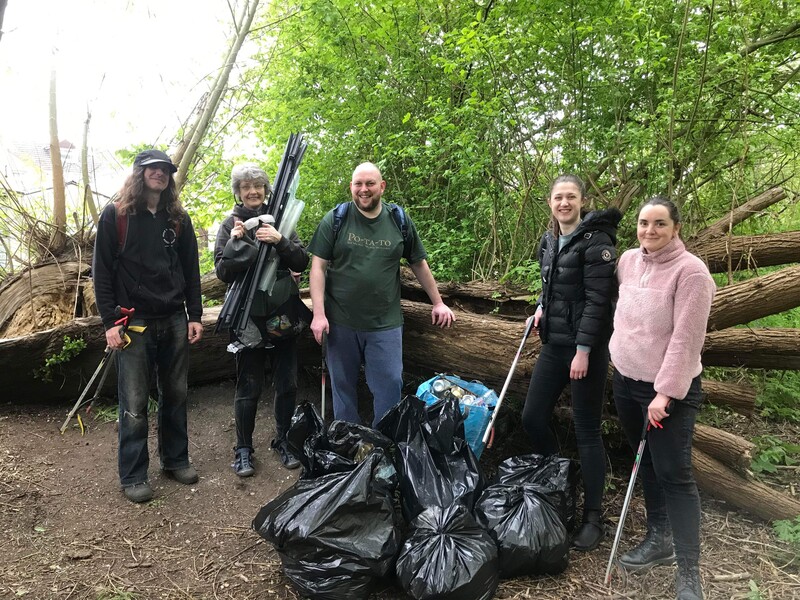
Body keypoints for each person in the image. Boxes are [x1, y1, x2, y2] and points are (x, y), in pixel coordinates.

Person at [610, 197, 715, 600]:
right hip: (626, 380)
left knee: (674, 473)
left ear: (675, 228)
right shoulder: (628, 261)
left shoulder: (692, 273)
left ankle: (689, 571)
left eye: (659, 224)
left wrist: (665, 393)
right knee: (648, 463)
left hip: (666, 392)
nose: (649, 231)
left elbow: (687, 341)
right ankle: (659, 539)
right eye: (643, 223)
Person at [93, 149, 203, 504]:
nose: (159, 173)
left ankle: (175, 460)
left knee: (176, 394)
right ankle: (134, 474)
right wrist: (110, 321)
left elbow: (191, 270)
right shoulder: (117, 216)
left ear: (169, 177)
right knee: (135, 401)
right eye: (152, 168)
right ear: (139, 174)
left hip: (173, 318)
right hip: (133, 323)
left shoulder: (178, 219)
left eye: (164, 169)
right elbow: (102, 273)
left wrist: (195, 314)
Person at [307, 161, 455, 426]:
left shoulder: (398, 220)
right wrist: (319, 314)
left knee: (389, 385)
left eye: (370, 184)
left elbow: (418, 263)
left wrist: (438, 302)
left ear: (382, 187)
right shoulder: (337, 218)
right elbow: (318, 265)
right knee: (342, 386)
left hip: (384, 324)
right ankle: (347, 438)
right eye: (358, 184)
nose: (364, 190)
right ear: (351, 187)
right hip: (340, 321)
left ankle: (384, 446)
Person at [521, 174, 621, 551]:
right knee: (533, 417)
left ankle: (593, 517)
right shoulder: (549, 241)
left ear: (582, 201)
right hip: (554, 345)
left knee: (586, 431)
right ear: (549, 203)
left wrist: (583, 350)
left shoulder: (597, 243)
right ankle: (560, 476)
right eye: (558, 197)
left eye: (571, 197)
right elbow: (554, 289)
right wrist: (541, 309)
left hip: (586, 352)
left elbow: (598, 301)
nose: (564, 203)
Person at [214, 163, 310, 474]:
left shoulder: (281, 220)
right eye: (246, 187)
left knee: (287, 384)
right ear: (238, 192)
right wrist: (237, 243)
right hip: (247, 317)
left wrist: (280, 240)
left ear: (267, 190)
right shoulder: (231, 224)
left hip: (282, 313)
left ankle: (283, 439)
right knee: (249, 386)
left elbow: (301, 260)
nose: (253, 191)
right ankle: (243, 449)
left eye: (258, 186)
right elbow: (222, 272)